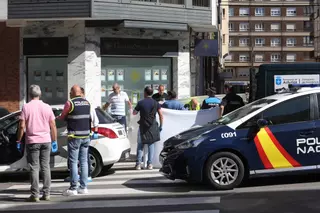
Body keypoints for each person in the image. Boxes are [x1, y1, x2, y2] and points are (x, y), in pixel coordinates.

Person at [16, 85, 57, 202]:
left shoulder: (26, 107)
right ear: (40, 94)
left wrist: (19, 140)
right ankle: (47, 194)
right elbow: (53, 125)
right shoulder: (47, 107)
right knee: (45, 166)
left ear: (29, 94)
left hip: (32, 141)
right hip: (46, 140)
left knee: (34, 167)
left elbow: (22, 126)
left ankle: (35, 195)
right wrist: (54, 140)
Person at [58, 85, 98, 196]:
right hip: (86, 136)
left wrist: (60, 118)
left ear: (72, 92)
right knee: (84, 162)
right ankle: (83, 187)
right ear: (80, 92)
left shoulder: (70, 103)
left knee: (74, 162)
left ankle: (73, 188)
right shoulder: (87, 103)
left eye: (70, 91)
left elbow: (62, 117)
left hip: (74, 137)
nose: (69, 93)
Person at [133, 86, 163, 170]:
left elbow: (134, 113)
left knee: (140, 145)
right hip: (152, 126)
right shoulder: (155, 103)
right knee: (151, 145)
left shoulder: (140, 102)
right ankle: (150, 164)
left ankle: (138, 164)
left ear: (145, 93)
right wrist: (161, 125)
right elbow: (161, 115)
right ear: (152, 93)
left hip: (142, 126)